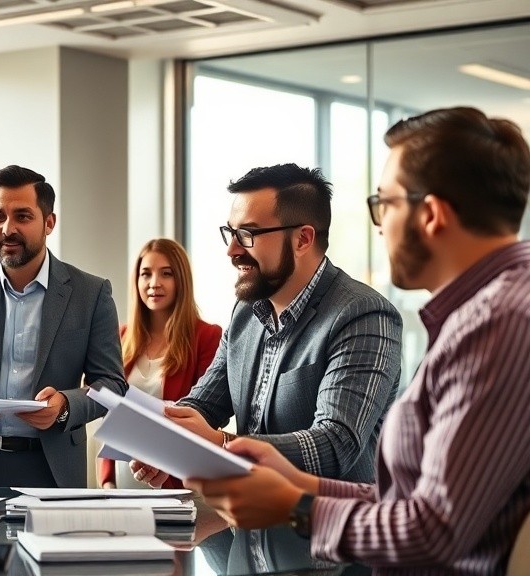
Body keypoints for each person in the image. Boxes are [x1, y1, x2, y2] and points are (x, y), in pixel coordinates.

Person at [185, 106, 530, 574]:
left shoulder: (501, 324)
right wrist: (296, 488)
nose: (379, 224)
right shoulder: (483, 316)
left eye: (383, 204)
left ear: (430, 215)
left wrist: (297, 508)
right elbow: (407, 501)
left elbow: (434, 532)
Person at [133, 163, 403, 487]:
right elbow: (203, 404)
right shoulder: (245, 314)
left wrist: (221, 445)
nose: (232, 250)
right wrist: (168, 441)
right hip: (251, 530)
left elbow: (334, 445)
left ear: (303, 239)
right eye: (230, 233)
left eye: (247, 235)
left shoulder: (363, 315)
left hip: (326, 531)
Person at [0, 164, 128, 488]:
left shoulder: (91, 293)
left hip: (51, 470)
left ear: (49, 222)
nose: (7, 228)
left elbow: (112, 384)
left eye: (22, 217)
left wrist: (65, 405)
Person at [97, 238, 222, 489]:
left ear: (181, 281)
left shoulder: (207, 337)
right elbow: (111, 414)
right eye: (146, 274)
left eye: (166, 274)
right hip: (123, 481)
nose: (154, 283)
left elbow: (206, 417)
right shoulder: (121, 337)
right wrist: (107, 480)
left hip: (175, 483)